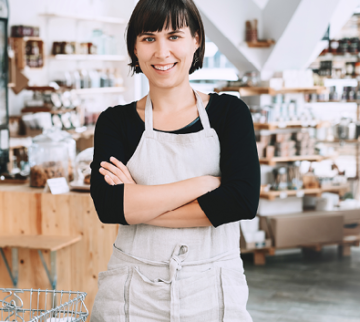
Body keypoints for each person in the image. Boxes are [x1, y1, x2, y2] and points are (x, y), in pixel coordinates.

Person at [90, 0, 260, 320]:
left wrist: (139, 206)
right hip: (131, 294)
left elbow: (241, 202)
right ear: (135, 49)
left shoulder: (229, 113)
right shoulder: (115, 122)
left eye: (174, 36)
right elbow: (109, 207)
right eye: (148, 38)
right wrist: (206, 184)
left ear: (196, 41)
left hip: (214, 290)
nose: (162, 52)